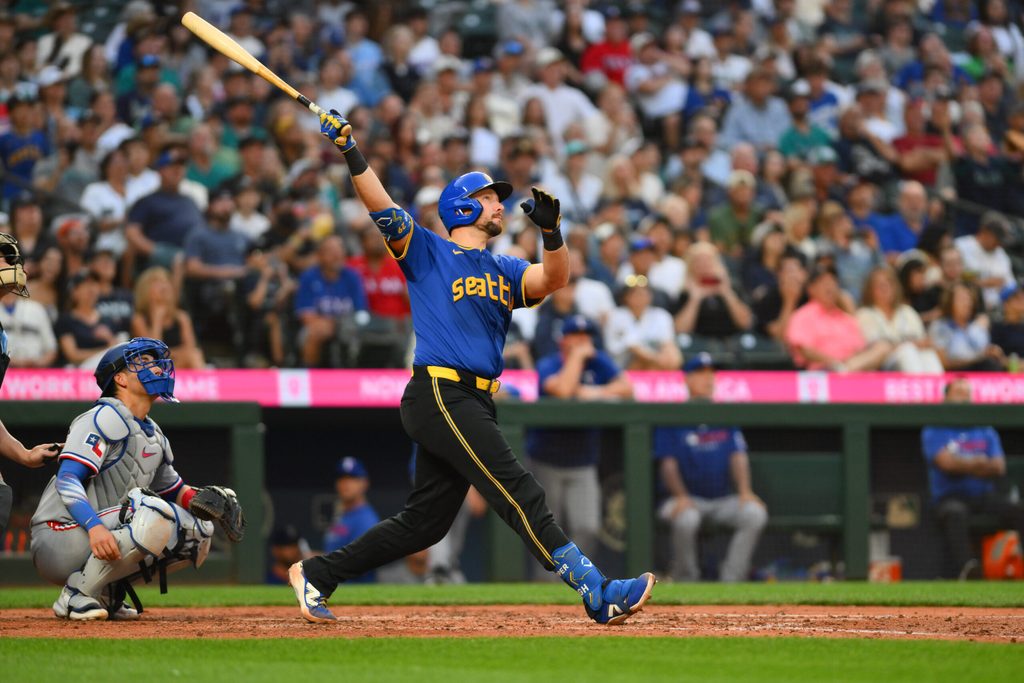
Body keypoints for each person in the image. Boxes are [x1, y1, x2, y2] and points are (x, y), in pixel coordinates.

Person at [288, 109, 655, 625]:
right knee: (518, 488)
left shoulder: (503, 269)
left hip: (472, 397)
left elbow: (554, 280)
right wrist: (351, 149)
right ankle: (596, 589)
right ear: (462, 206)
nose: (499, 204)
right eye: (488, 197)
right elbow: (381, 207)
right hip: (440, 392)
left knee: (425, 526)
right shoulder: (429, 252)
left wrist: (552, 233)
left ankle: (319, 574)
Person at [30, 337, 245, 620]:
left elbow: (175, 490)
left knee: (199, 531)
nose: (156, 368)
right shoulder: (101, 417)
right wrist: (94, 527)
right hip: (60, 534)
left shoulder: (153, 433)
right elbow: (68, 480)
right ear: (119, 378)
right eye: (143, 363)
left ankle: (106, 591)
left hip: (101, 531)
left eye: (156, 362)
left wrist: (209, 504)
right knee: (155, 514)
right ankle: (75, 595)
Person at [527, 315, 634, 576]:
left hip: (583, 460)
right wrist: (575, 358)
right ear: (563, 340)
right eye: (576, 337)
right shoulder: (548, 363)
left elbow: (627, 388)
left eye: (586, 337)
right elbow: (562, 389)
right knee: (547, 529)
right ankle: (544, 589)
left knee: (587, 526)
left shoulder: (598, 362)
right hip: (546, 459)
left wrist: (593, 392)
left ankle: (576, 580)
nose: (583, 342)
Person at [654, 353, 767, 582]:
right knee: (686, 518)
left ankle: (731, 580)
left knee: (755, 513)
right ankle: (686, 579)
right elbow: (667, 463)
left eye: (711, 373)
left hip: (720, 500)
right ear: (687, 379)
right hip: (683, 499)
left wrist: (745, 491)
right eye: (701, 373)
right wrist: (681, 495)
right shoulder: (672, 414)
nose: (708, 378)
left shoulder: (722, 413)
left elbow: (738, 455)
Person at [922, 377, 1024, 579]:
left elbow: (998, 466)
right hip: (949, 497)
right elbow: (946, 464)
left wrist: (964, 463)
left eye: (967, 393)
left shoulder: (983, 427)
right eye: (958, 392)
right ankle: (968, 570)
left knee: (1019, 509)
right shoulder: (936, 426)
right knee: (955, 512)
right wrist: (978, 462)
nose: (964, 397)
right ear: (946, 398)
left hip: (982, 496)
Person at [0, 233, 60, 541]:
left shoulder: (2, 337)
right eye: (3, 258)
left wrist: (23, 454)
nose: (11, 264)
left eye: (12, 258)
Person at [294, 235, 369, 368]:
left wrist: (336, 325)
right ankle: (310, 374)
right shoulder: (309, 277)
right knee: (313, 333)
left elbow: (361, 311)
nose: (336, 255)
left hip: (348, 325)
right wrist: (329, 325)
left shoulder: (352, 276)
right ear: (320, 256)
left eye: (339, 250)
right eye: (331, 251)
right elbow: (306, 315)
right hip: (317, 325)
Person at [323, 457, 380, 583]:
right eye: (342, 478)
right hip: (336, 589)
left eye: (352, 478)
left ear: (364, 483)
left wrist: (318, 563)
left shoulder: (366, 520)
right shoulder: (342, 515)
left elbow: (355, 564)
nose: (346, 484)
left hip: (356, 592)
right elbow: (333, 553)